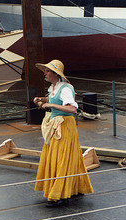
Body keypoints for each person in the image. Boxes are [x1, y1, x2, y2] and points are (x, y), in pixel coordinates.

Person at [34, 59, 93, 207]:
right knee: (67, 156)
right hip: (57, 125)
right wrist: (42, 99)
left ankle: (61, 194)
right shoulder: (54, 87)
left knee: (62, 157)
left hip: (65, 126)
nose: (45, 74)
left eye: (47, 71)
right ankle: (77, 187)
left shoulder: (66, 88)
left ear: (55, 74)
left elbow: (72, 109)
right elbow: (55, 99)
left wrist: (50, 104)